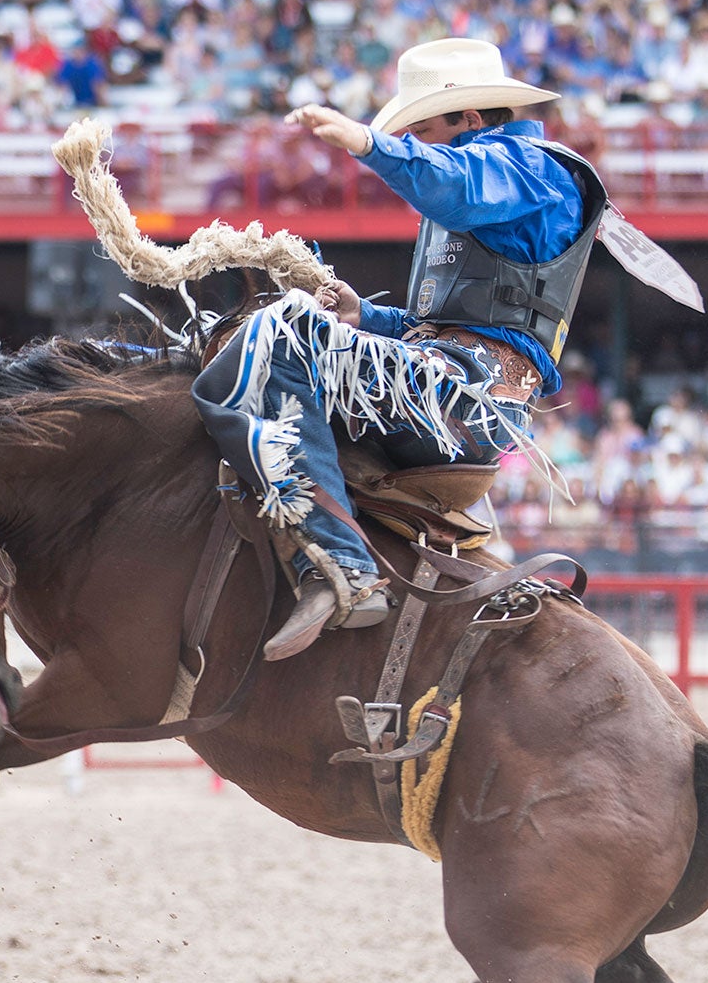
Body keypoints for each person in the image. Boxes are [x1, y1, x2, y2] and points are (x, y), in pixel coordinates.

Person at [211, 38, 613, 660]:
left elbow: (453, 185)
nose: (417, 146)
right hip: (446, 378)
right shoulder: (492, 182)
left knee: (278, 339)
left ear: (470, 121)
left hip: (468, 397)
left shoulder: (526, 167)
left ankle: (343, 564)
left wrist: (369, 144)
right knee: (263, 334)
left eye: (422, 131)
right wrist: (364, 316)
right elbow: (442, 320)